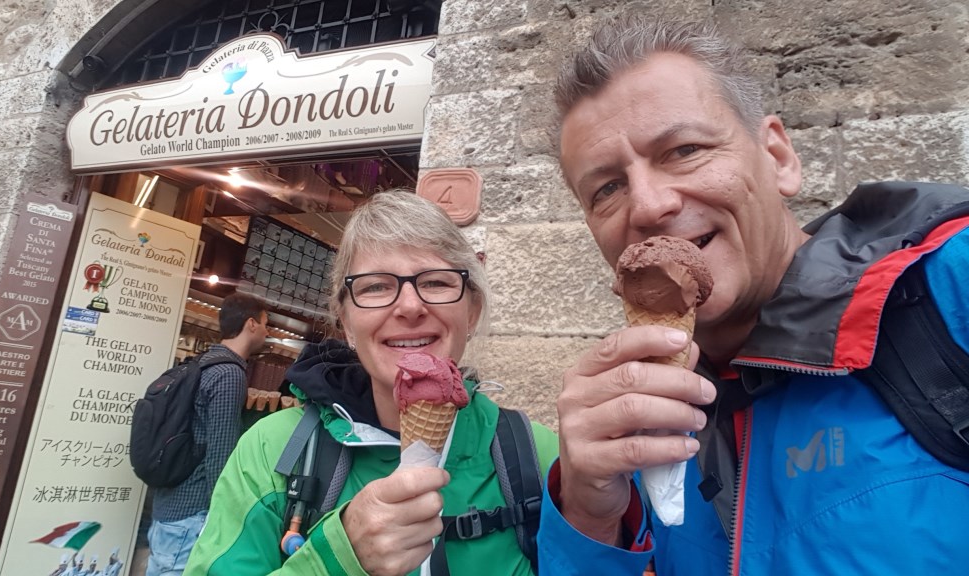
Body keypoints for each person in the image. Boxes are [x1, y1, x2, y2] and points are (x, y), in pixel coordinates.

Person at [538, 13, 969, 575]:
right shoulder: (635, 419)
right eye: (607, 188)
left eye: (684, 150)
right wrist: (590, 518)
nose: (648, 205)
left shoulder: (949, 285)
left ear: (778, 158)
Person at [184, 190, 558, 575]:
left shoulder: (538, 456)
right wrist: (337, 558)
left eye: (436, 282)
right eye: (376, 286)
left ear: (472, 311)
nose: (410, 306)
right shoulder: (273, 451)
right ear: (346, 322)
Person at [146, 292, 269, 576]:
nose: (267, 331)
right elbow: (220, 454)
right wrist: (226, 515)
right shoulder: (229, 373)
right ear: (251, 324)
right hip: (192, 513)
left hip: (169, 505)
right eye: (265, 324)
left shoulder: (201, 363)